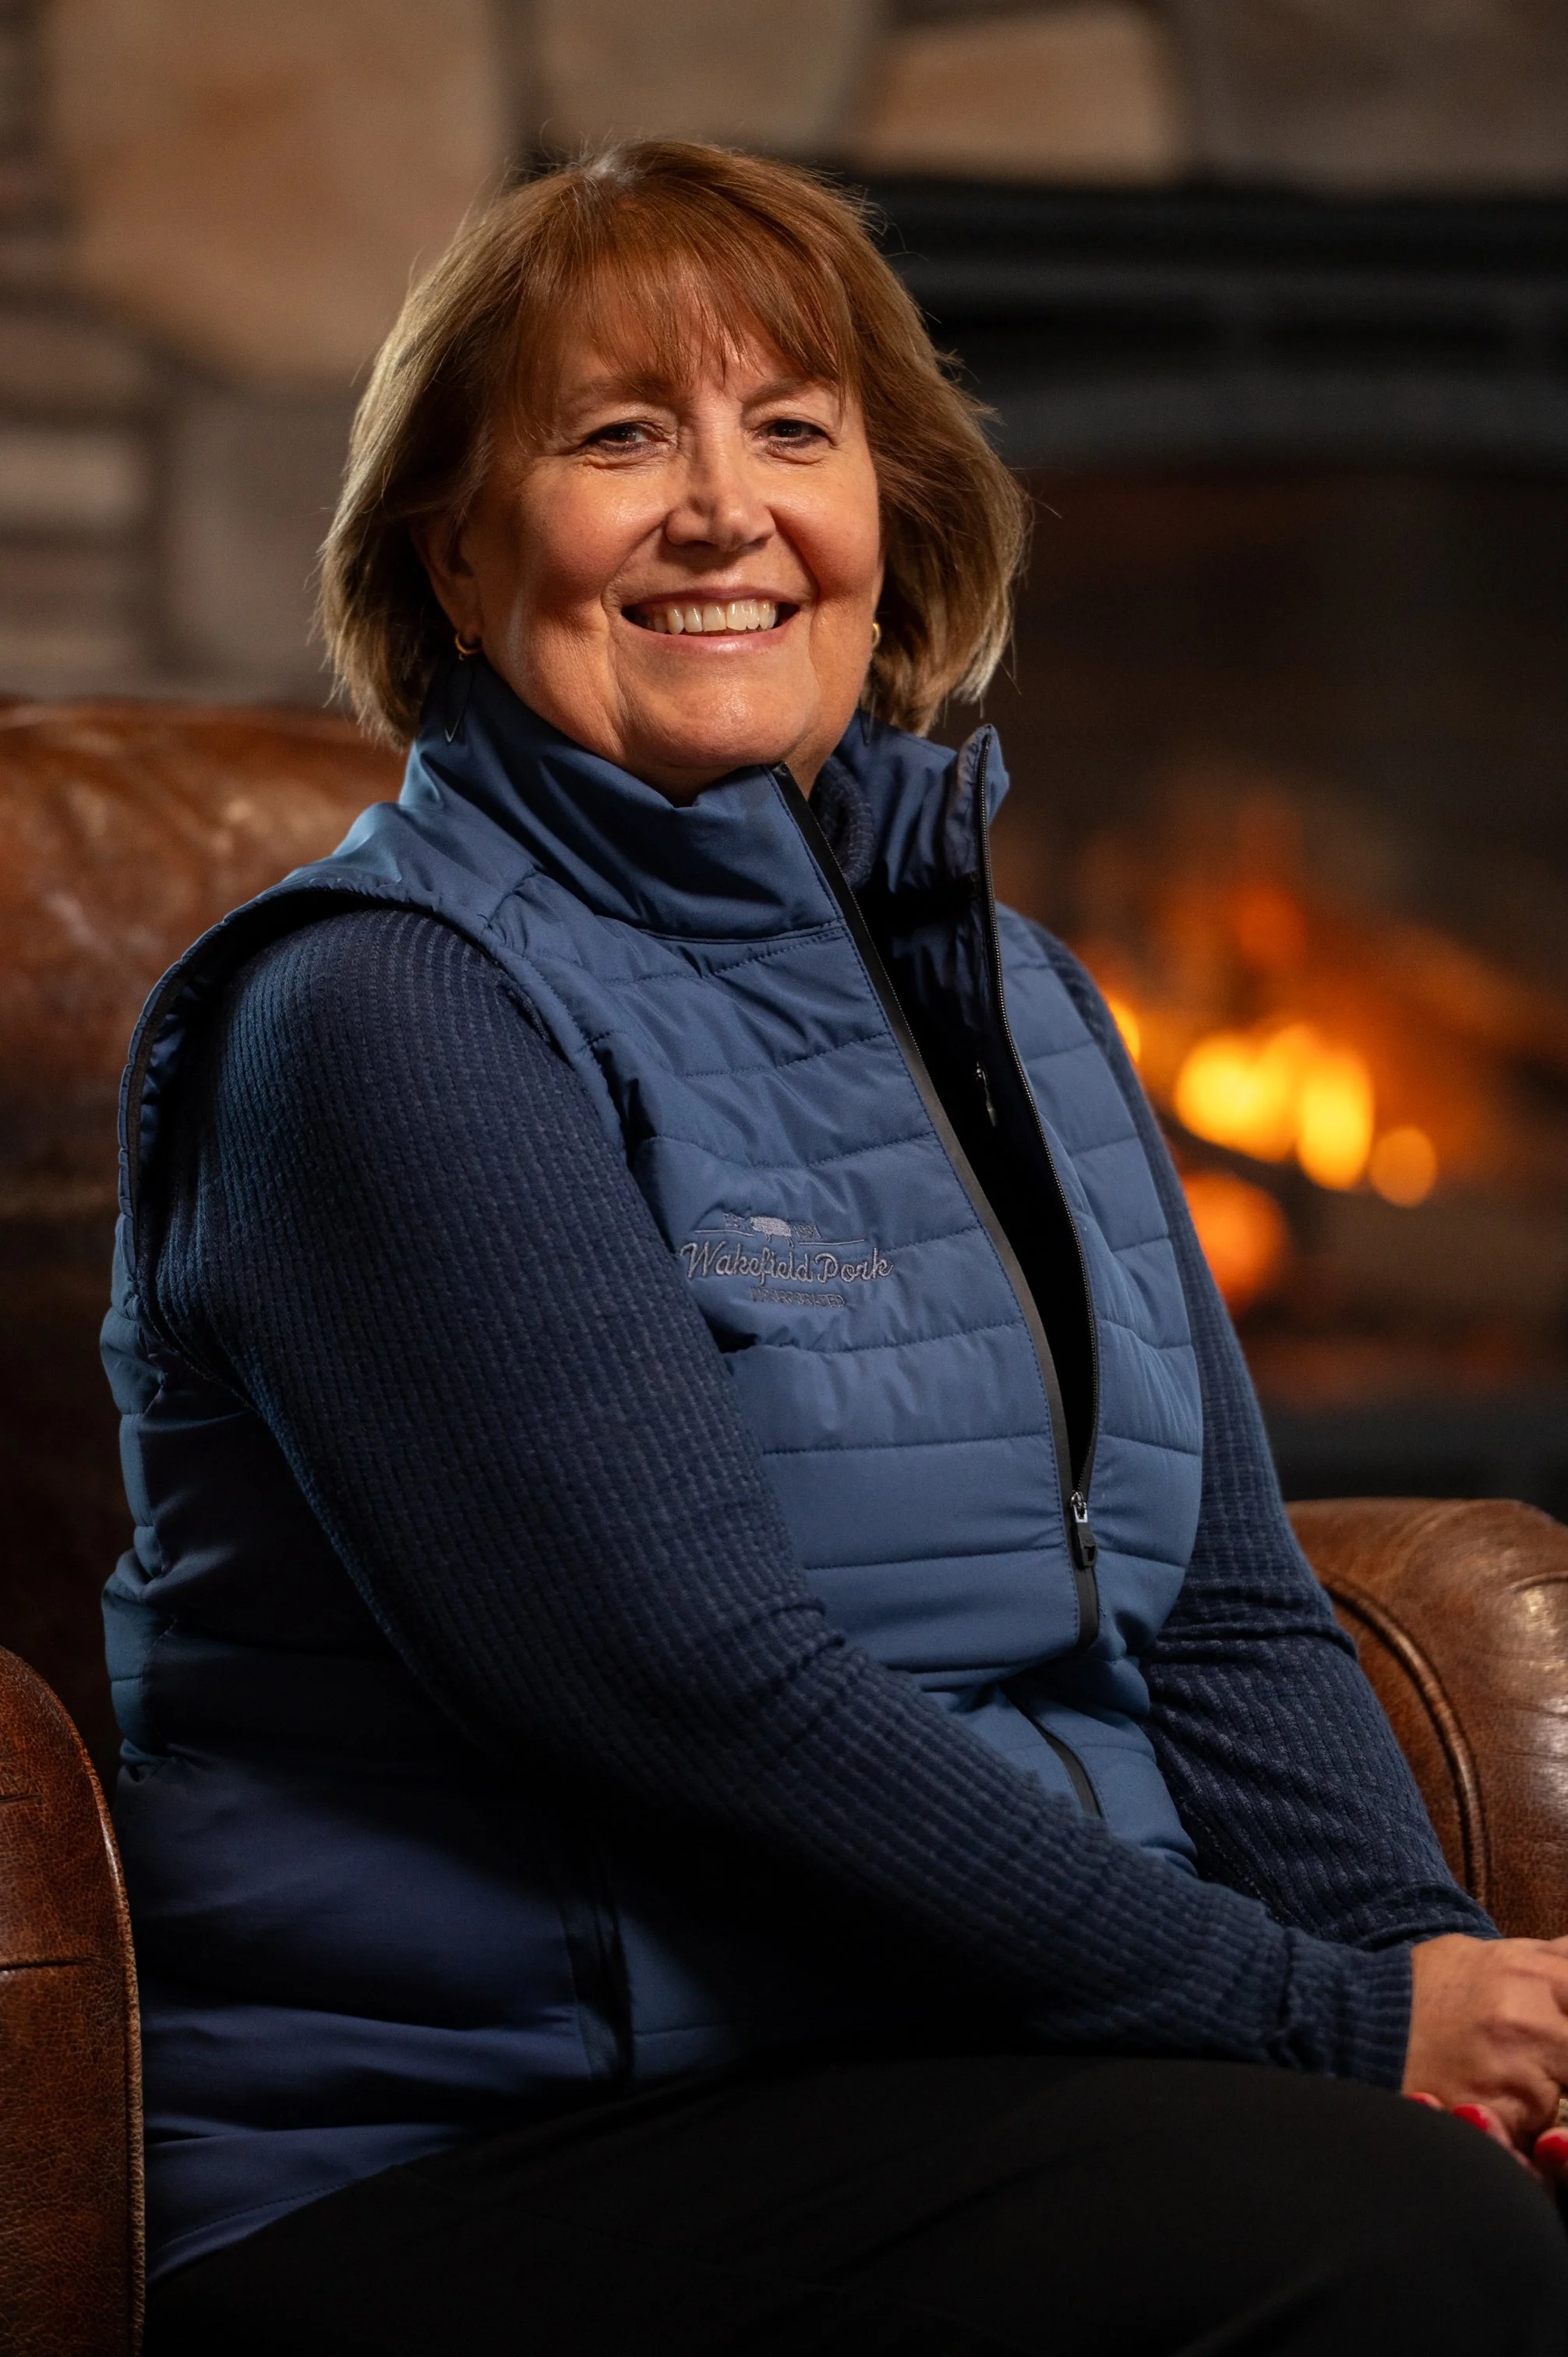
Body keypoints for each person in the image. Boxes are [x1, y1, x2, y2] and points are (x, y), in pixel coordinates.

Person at [105, 143, 1568, 2355]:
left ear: (890, 518)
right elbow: (695, 1699)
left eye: (793, 431)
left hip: (960, 2066)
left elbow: (1228, 1613)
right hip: (486, 2152)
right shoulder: (380, 1014)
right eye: (621, 437)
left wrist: (1447, 1993)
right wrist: (1323, 2024)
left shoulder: (1024, 1004)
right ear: (453, 545)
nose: (725, 512)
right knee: (1390, 2238)